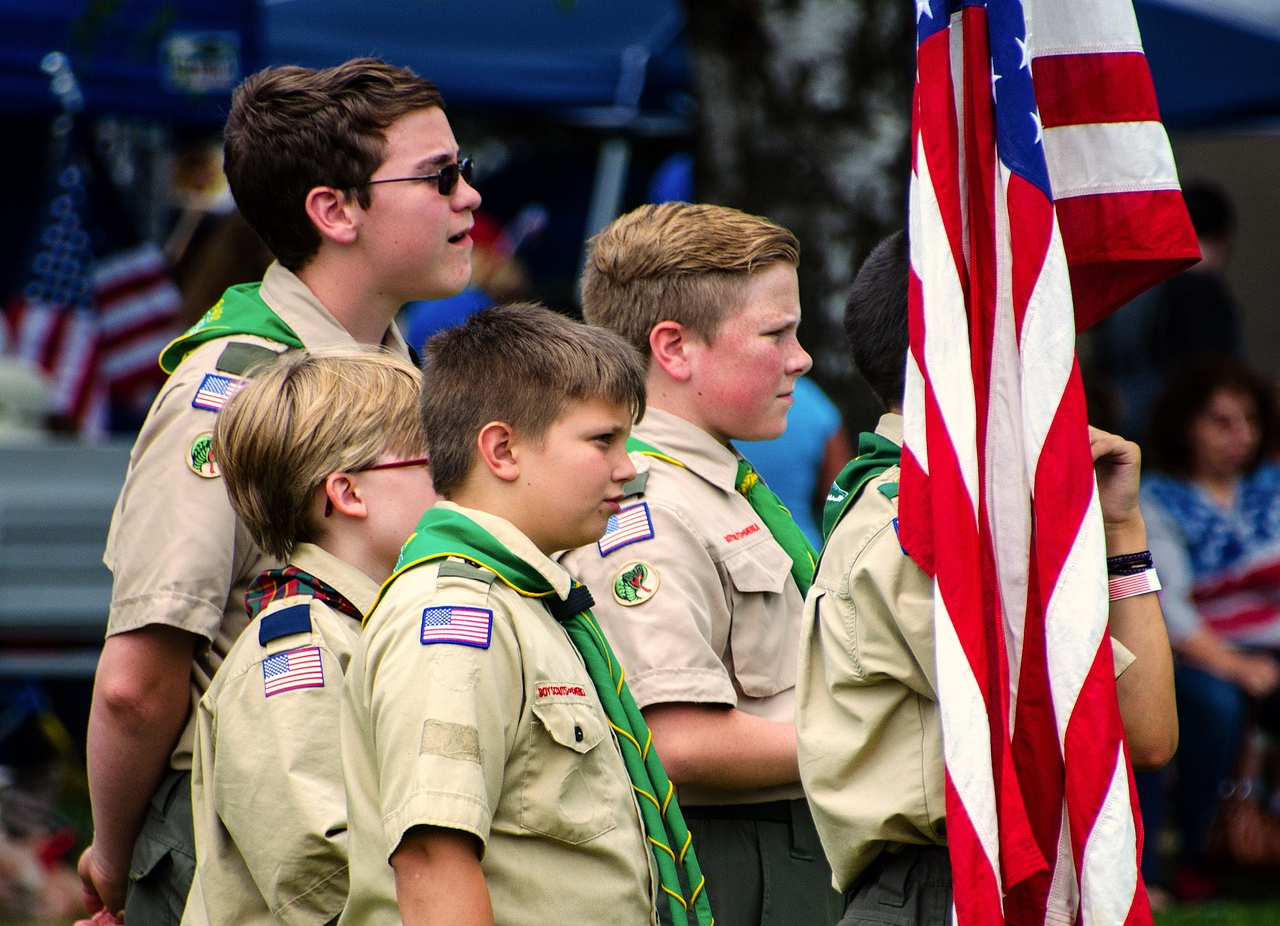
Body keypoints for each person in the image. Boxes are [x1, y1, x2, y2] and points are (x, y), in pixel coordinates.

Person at [79, 57, 481, 925]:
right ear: (334, 211)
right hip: (244, 829)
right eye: (439, 176)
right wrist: (116, 862)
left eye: (466, 169)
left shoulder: (391, 370)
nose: (470, 198)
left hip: (374, 806)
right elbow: (138, 681)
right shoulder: (229, 395)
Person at [795, 230, 1179, 925]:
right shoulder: (920, 528)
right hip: (947, 889)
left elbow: (1147, 734)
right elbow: (1139, 729)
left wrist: (1121, 530)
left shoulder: (946, 511)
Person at [339, 303, 713, 926]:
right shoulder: (459, 617)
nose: (631, 467)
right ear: (503, 449)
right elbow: (435, 862)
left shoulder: (530, 601)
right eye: (603, 440)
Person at [560, 201, 842, 926]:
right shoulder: (647, 511)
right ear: (675, 348)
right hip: (740, 864)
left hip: (789, 841)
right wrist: (892, 744)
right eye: (776, 333)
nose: (801, 357)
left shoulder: (715, 486)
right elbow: (680, 740)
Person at [180, 349, 435, 926]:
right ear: (348, 494)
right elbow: (318, 873)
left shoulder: (368, 625)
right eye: (435, 461)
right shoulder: (300, 651)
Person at [1137, 358, 1280, 900]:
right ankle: (1195, 852)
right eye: (1221, 421)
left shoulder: (1272, 487)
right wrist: (1235, 665)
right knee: (1212, 708)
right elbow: (1166, 608)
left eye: (1249, 419)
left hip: (1269, 652)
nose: (1240, 435)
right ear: (1184, 426)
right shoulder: (1156, 499)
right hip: (1199, 655)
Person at [739, 375, 854, 547]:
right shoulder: (811, 398)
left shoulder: (711, 404)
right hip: (803, 553)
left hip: (733, 546)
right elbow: (842, 495)